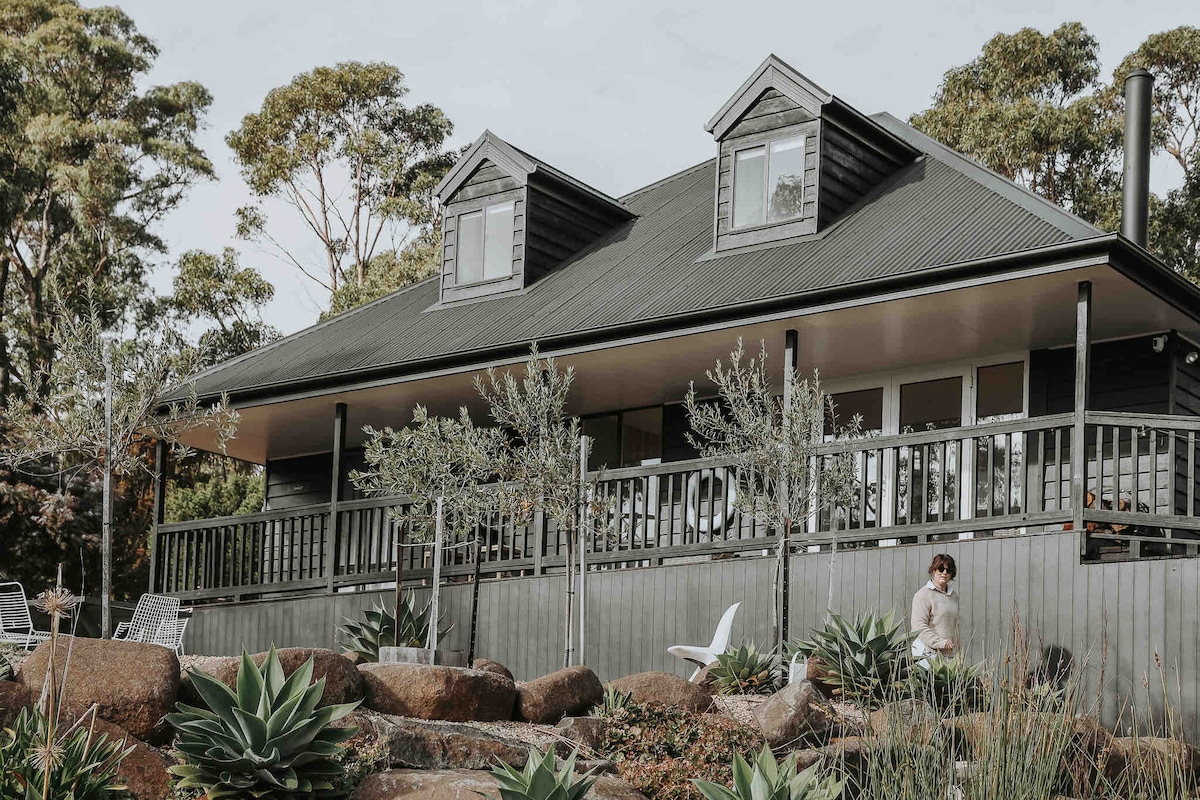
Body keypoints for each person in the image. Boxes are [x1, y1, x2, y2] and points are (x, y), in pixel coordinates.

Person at [911, 553, 959, 662]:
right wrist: (940, 643)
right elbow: (918, 627)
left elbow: (955, 623)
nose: (944, 573)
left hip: (948, 655)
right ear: (933, 571)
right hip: (926, 654)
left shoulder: (953, 596)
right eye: (941, 569)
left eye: (949, 570)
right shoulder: (923, 595)